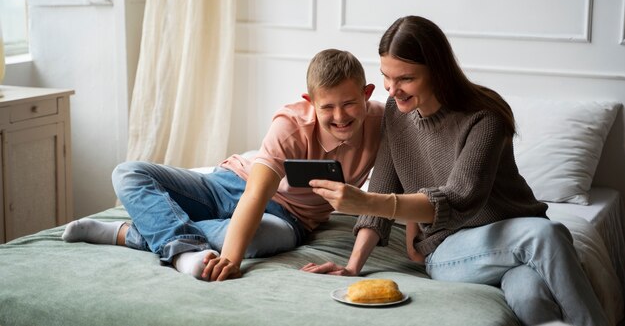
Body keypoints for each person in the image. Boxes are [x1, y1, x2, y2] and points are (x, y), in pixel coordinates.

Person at [301, 16, 609, 326]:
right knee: (548, 235)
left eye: (406, 79)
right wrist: (353, 267)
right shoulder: (395, 114)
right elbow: (379, 195)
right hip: (449, 251)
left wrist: (366, 201)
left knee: (531, 298)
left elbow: (461, 198)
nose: (393, 90)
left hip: (514, 235)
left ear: (438, 72)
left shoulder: (485, 115)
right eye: (386, 77)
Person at [63, 49, 384, 282]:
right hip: (229, 183)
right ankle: (179, 251)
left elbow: (404, 178)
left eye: (349, 104)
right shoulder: (290, 124)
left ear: (366, 94)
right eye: (327, 107)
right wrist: (229, 259)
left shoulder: (384, 123)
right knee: (128, 172)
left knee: (254, 239)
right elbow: (255, 194)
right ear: (309, 102)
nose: (340, 117)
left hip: (288, 219)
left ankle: (132, 233)